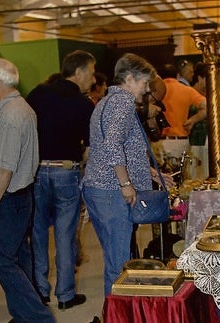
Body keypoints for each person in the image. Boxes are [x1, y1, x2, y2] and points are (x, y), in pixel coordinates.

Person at [82, 53, 174, 296]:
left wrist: (151, 172)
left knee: (118, 260)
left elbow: (114, 147)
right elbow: (113, 145)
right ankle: (116, 314)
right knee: (119, 266)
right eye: (144, 83)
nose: (146, 90)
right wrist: (125, 184)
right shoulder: (122, 102)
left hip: (100, 189)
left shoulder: (107, 101)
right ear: (130, 78)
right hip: (111, 191)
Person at [0, 58, 55, 322]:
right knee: (19, 256)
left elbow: (5, 168)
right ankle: (23, 315)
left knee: (4, 260)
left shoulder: (10, 115)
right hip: (18, 198)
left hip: (7, 199)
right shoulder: (19, 108)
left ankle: (39, 317)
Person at [26, 50, 95, 309]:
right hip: (67, 171)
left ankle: (40, 292)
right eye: (90, 73)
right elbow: (89, 147)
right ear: (78, 72)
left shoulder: (37, 94)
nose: (92, 80)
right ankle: (65, 295)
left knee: (38, 231)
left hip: (36, 172)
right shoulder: (84, 103)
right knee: (65, 235)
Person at [158, 64, 206, 178]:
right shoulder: (187, 90)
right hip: (181, 142)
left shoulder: (155, 91)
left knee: (162, 180)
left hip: (160, 143)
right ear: (178, 75)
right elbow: (207, 107)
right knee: (182, 179)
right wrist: (193, 120)